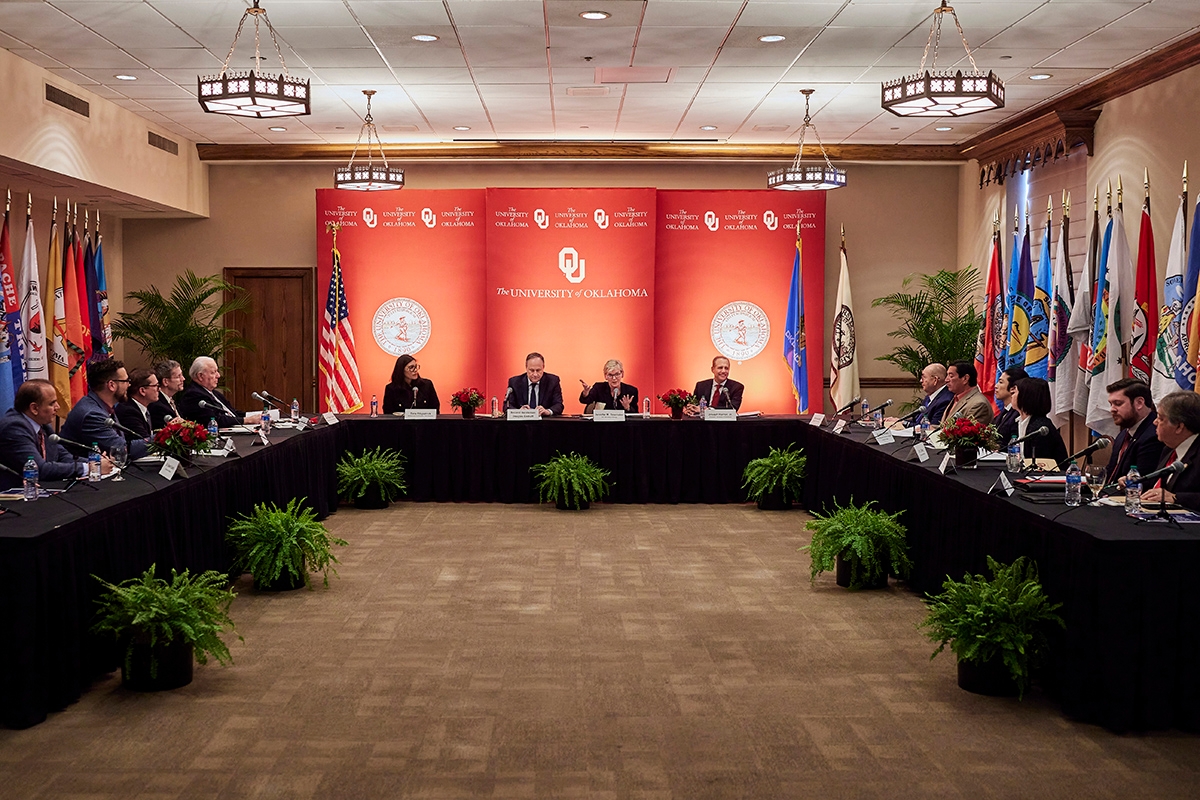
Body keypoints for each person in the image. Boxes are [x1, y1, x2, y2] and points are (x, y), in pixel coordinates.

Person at [0, 380, 108, 488]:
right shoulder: (14, 428)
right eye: (52, 403)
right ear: (34, 408)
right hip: (12, 498)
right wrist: (90, 468)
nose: (58, 407)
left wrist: (96, 462)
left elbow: (63, 456)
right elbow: (39, 469)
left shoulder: (43, 425)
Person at [61, 358, 149, 459]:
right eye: (126, 381)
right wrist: (161, 438)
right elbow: (121, 450)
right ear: (111, 385)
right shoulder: (92, 414)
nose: (129, 385)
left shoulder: (102, 406)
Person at [1142, 391, 1200, 510]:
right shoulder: (1168, 449)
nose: (1154, 422)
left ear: (1179, 427)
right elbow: (1157, 485)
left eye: (1160, 418)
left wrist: (1175, 498)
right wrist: (1136, 483)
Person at [1106, 378, 1164, 484]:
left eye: (1118, 403)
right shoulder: (1123, 434)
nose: (1112, 409)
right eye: (1111, 404)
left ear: (1139, 403)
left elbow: (1143, 482)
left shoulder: (1154, 434)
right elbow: (1111, 473)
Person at [176, 356, 257, 427]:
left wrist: (255, 416)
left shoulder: (214, 393)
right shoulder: (193, 395)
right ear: (200, 376)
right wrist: (247, 420)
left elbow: (231, 413)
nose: (218, 375)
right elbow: (216, 419)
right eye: (213, 372)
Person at [1012, 377, 1068, 464]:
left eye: (1015, 392)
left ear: (1026, 397)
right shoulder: (1022, 421)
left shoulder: (1040, 428)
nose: (1011, 395)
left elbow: (1040, 464)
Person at [941, 360, 994, 426]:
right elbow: (943, 427)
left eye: (951, 376)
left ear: (965, 379)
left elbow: (969, 433)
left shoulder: (979, 404)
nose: (946, 380)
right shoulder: (956, 397)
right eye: (947, 375)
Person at [115, 368, 160, 442]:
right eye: (156, 386)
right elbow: (145, 442)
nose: (159, 389)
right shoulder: (129, 412)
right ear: (142, 391)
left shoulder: (144, 408)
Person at [993, 366, 1027, 445]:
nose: (996, 386)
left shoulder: (1019, 413)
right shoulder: (1003, 413)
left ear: (1013, 388)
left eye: (1001, 382)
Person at [148, 359, 184, 428]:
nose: (183, 379)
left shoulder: (170, 400)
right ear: (165, 381)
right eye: (178, 376)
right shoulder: (157, 406)